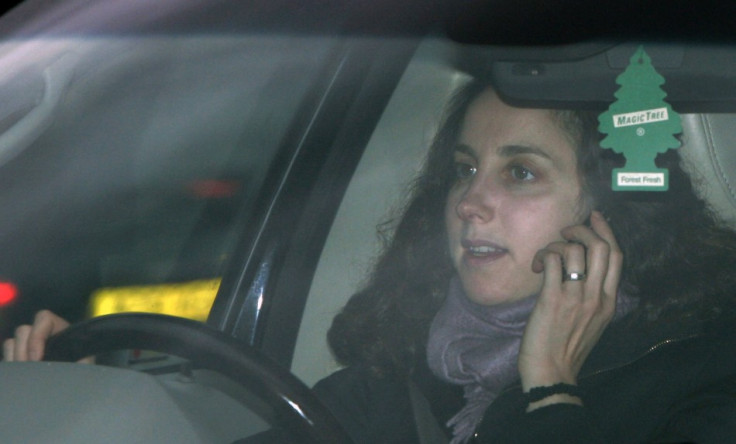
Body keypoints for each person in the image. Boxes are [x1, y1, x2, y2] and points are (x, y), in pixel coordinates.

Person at [5, 80, 736, 443]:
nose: (470, 203)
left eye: (520, 173)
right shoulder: (388, 388)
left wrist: (547, 390)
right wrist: (83, 403)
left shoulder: (704, 381)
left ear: (611, 214)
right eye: (461, 168)